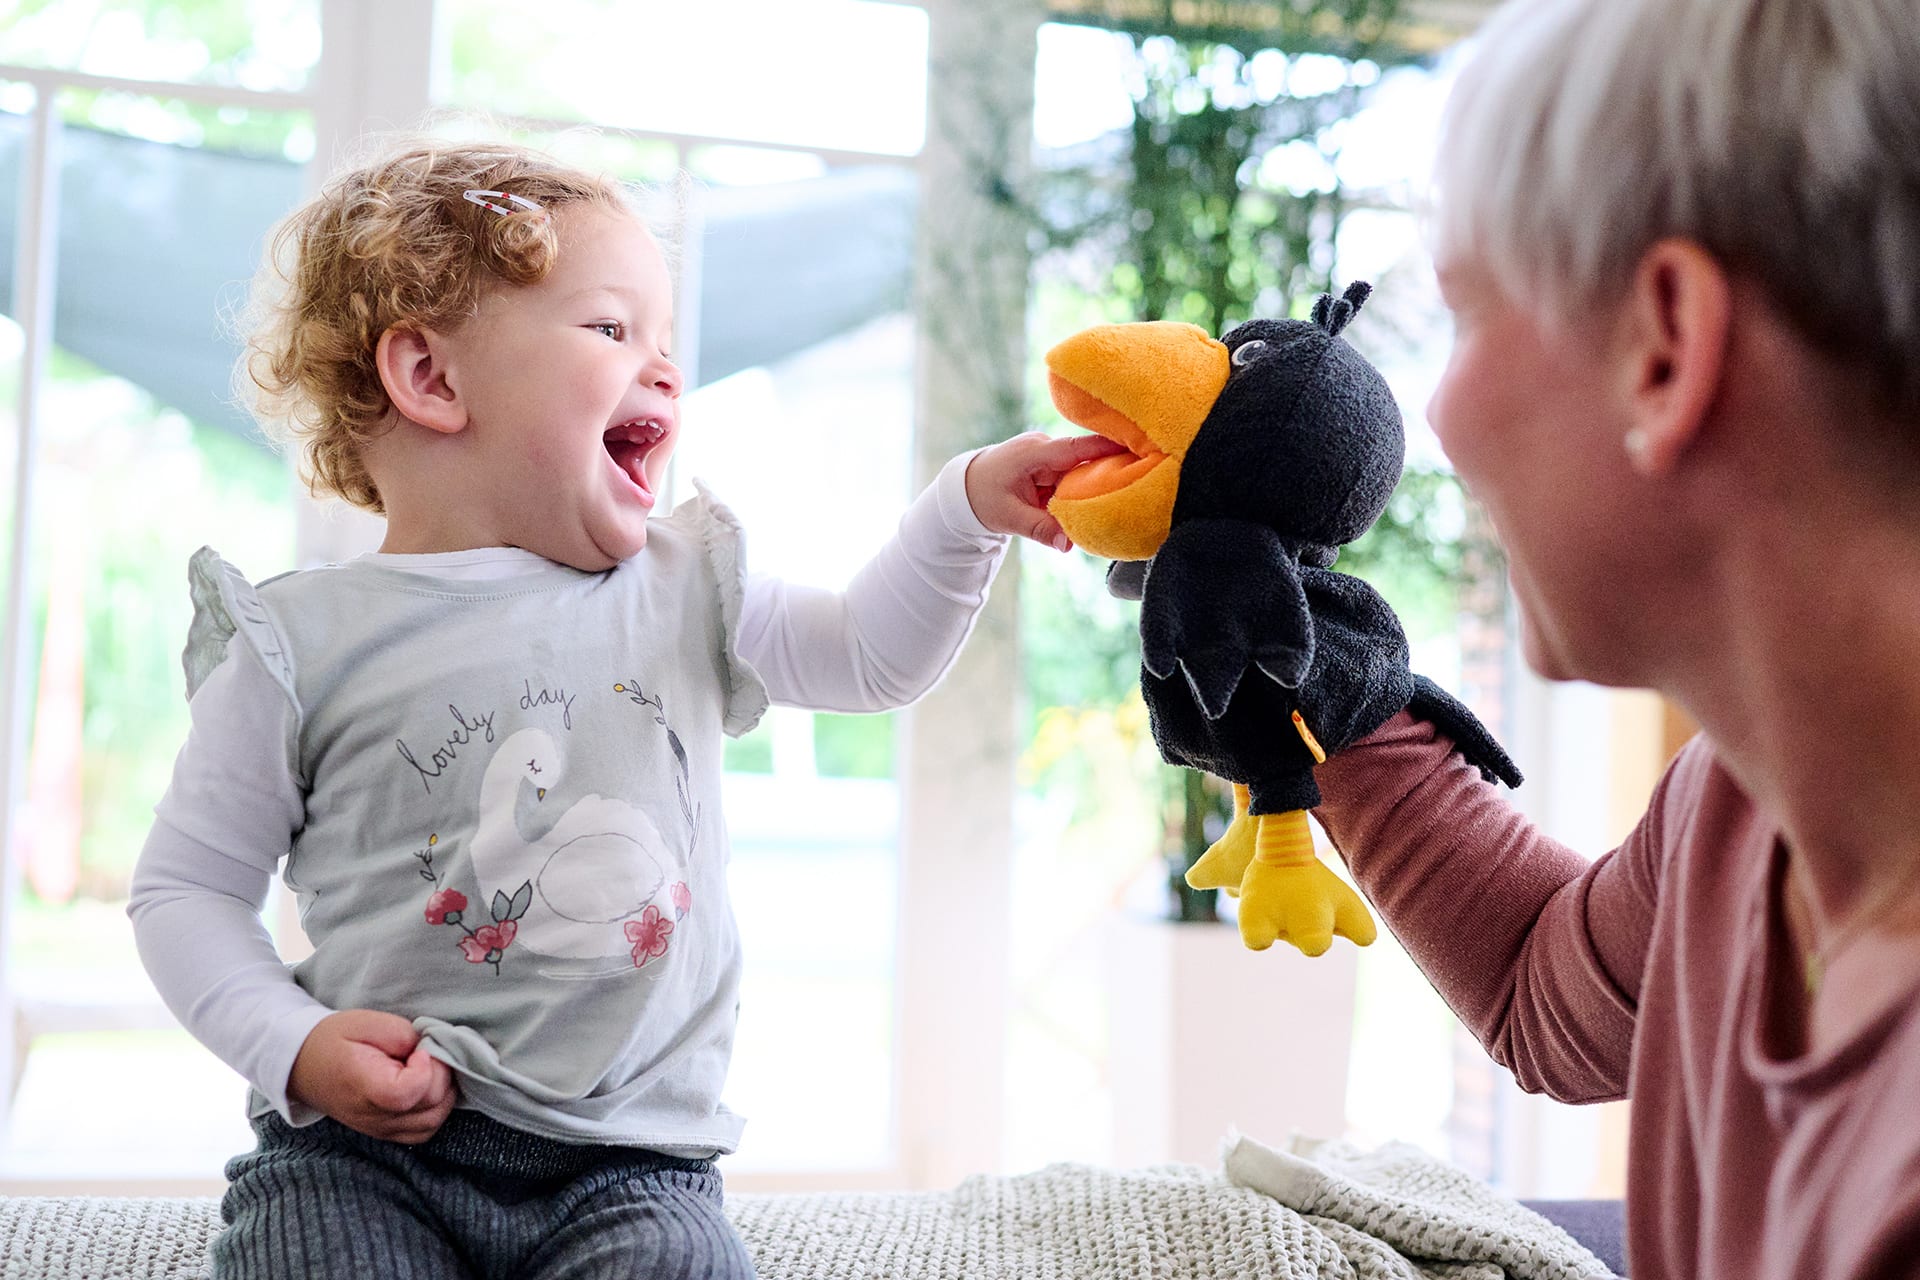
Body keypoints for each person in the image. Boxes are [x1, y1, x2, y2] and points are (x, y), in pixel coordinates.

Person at [127, 137, 1121, 1279]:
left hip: (634, 1161)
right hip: (363, 1155)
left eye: (664, 341)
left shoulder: (681, 583)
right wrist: (295, 1045)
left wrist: (963, 510)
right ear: (431, 378)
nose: (665, 370)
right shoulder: (299, 643)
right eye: (611, 330)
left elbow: (864, 656)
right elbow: (185, 890)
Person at [1296, 0, 1920, 1276]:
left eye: (1466, 314)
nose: (1444, 416)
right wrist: (1316, 678)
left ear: (1665, 346)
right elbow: (1541, 980)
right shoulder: (1744, 807)